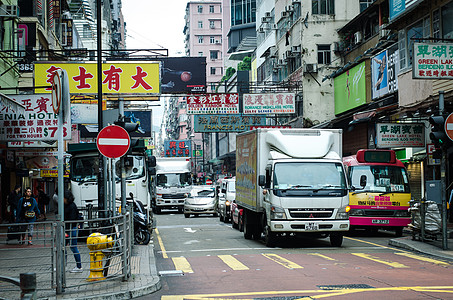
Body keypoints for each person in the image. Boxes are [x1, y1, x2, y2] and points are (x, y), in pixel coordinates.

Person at [64, 190, 82, 273]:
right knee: (67, 247)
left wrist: (66, 231)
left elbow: (70, 219)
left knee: (72, 247)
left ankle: (78, 266)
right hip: (71, 229)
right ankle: (77, 266)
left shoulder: (70, 206)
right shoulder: (71, 205)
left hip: (70, 229)